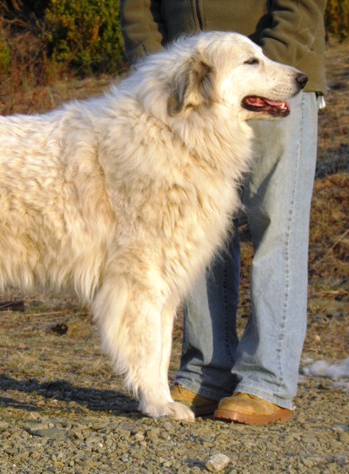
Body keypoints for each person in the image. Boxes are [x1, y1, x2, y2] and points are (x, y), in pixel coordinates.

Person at [120, 0, 327, 424]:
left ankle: (266, 380)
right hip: (186, 95)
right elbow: (138, 9)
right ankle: (205, 373)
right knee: (193, 237)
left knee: (276, 229)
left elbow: (301, 5)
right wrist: (165, 74)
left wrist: (257, 72)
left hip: (268, 77)